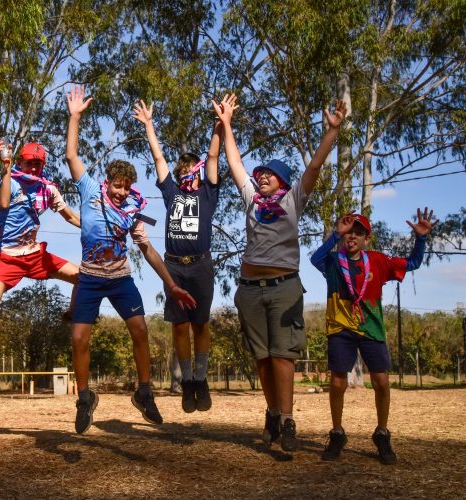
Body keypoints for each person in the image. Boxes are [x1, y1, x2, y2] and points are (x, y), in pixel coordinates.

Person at [213, 93, 346, 452]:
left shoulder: (293, 200)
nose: (262, 177)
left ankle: (287, 419)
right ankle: (272, 411)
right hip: (250, 288)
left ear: (284, 182)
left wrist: (331, 133)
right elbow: (235, 161)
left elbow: (314, 168)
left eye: (270, 174)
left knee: (282, 355)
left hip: (285, 286)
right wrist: (226, 124)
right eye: (261, 174)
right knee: (262, 357)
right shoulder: (251, 199)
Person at [64, 86, 197, 433]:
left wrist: (171, 285)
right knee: (79, 338)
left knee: (140, 331)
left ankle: (144, 392)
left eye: (126, 187)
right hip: (90, 277)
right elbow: (71, 156)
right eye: (117, 185)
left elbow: (149, 251)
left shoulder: (134, 212)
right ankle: (84, 398)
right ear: (107, 182)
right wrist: (75, 117)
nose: (121, 192)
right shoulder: (90, 190)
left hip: (121, 278)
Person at [0, 138, 82, 389]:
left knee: (83, 276)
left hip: (34, 254)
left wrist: (97, 227)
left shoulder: (48, 189)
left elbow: (71, 216)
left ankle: (73, 311)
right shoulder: (10, 180)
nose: (33, 168)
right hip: (7, 256)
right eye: (29, 163)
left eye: (38, 164)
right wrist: (7, 168)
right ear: (20, 161)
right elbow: (4, 203)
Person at [311, 209, 435, 464]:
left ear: (367, 239)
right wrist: (336, 233)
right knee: (337, 383)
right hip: (340, 329)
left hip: (371, 329)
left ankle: (381, 433)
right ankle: (337, 432)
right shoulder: (333, 261)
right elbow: (315, 258)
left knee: (381, 382)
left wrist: (420, 239)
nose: (352, 236)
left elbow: (412, 263)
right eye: (349, 232)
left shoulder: (377, 260)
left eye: (358, 233)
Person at [133, 99, 222, 414]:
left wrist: (219, 125)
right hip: (174, 266)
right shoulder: (173, 193)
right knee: (179, 327)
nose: (186, 176)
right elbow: (158, 158)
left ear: (198, 174)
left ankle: (201, 379)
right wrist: (148, 124)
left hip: (201, 266)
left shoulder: (208, 194)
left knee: (200, 324)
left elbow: (213, 156)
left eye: (191, 171)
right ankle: (187, 383)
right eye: (182, 171)